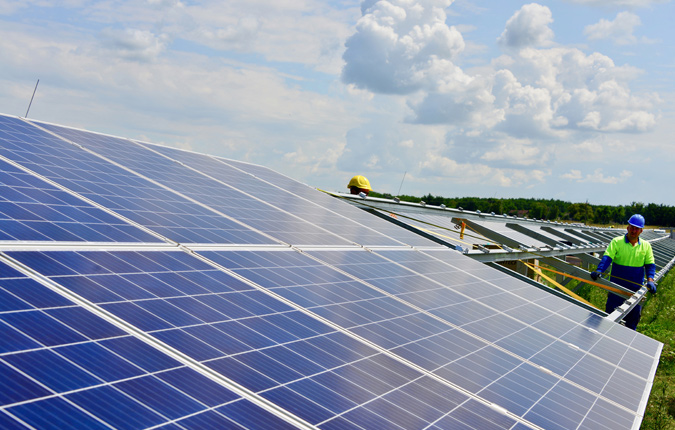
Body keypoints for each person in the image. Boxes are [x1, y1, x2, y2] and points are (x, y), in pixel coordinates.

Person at [590, 214, 656, 330]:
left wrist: (650, 280)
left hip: (635, 292)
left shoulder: (646, 246)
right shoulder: (616, 242)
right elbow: (607, 258)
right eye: (631, 227)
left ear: (641, 230)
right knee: (610, 321)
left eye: (636, 228)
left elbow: (650, 265)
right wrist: (599, 270)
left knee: (631, 323)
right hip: (616, 289)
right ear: (627, 228)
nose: (633, 231)